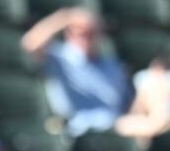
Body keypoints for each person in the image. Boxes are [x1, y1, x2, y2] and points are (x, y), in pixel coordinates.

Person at [21, 7, 130, 137]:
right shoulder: (59, 57)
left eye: (91, 33)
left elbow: (121, 104)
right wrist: (63, 18)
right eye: (80, 32)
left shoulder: (112, 64)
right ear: (68, 33)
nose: (86, 38)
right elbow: (29, 44)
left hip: (114, 126)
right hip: (77, 128)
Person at [115, 51, 170, 145]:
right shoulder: (144, 80)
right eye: (155, 66)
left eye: (162, 68)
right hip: (145, 119)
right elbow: (137, 108)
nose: (158, 71)